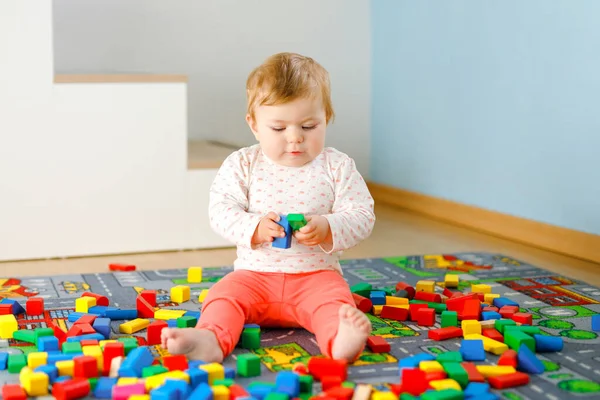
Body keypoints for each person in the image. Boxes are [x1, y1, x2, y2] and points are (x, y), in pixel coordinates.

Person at [162, 52, 375, 362]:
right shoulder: (243, 164)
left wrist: (329, 226)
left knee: (336, 304)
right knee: (223, 296)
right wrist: (254, 227)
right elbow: (220, 210)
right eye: (278, 129)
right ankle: (210, 338)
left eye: (309, 126)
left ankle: (341, 341)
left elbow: (361, 215)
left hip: (316, 276)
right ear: (254, 124)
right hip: (253, 275)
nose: (295, 139)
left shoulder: (337, 166)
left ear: (326, 117)